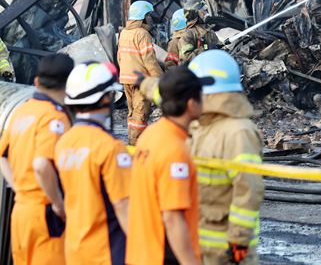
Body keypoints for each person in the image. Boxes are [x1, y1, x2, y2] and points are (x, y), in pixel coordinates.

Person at [188, 50, 264, 265]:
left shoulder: (238, 132)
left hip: (227, 251)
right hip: (200, 244)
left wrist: (239, 240)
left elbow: (248, 190)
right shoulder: (201, 127)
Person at [0, 53, 74, 265]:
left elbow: (3, 157)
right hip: (45, 212)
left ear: (36, 82)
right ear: (68, 84)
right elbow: (42, 165)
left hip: (21, 209)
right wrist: (58, 204)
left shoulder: (22, 111)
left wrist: (19, 188)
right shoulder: (55, 117)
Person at [55, 62, 131, 265]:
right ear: (105, 98)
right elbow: (125, 208)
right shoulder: (110, 148)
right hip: (106, 251)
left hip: (75, 250)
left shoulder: (64, 142)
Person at [126, 67, 203, 265]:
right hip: (164, 254)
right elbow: (172, 218)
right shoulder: (175, 150)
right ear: (191, 104)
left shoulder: (150, 135)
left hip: (143, 251)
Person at [117, 0, 163, 145]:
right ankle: (137, 144)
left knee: (132, 113)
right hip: (141, 81)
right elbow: (149, 60)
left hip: (126, 78)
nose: (150, 18)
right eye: (148, 15)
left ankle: (132, 141)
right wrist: (160, 79)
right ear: (142, 16)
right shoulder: (142, 34)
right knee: (140, 114)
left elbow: (119, 57)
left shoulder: (124, 32)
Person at [178, 0, 220, 64]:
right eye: (203, 11)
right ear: (194, 15)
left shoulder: (209, 30)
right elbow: (187, 57)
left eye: (206, 10)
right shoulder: (188, 35)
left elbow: (217, 45)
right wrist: (206, 49)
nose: (206, 13)